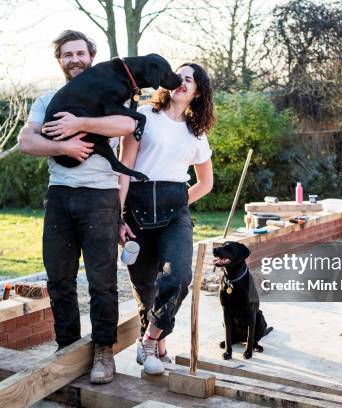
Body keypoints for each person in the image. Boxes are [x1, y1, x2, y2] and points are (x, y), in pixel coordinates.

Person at [18, 30, 135, 384]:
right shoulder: (48, 100)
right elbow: (27, 141)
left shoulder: (108, 94)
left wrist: (80, 124)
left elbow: (127, 125)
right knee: (59, 280)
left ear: (91, 56)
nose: (75, 59)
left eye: (80, 53)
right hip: (59, 198)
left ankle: (103, 352)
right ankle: (67, 347)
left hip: (101, 197)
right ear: (61, 61)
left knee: (102, 281)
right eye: (67, 55)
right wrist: (65, 148)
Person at [118, 63, 216, 375]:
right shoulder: (144, 116)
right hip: (136, 207)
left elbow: (206, 183)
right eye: (178, 76)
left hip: (176, 213)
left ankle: (148, 340)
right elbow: (124, 166)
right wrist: (118, 216)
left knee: (177, 278)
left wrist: (177, 201)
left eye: (190, 80)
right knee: (145, 286)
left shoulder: (196, 133)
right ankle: (158, 346)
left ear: (198, 91)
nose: (181, 82)